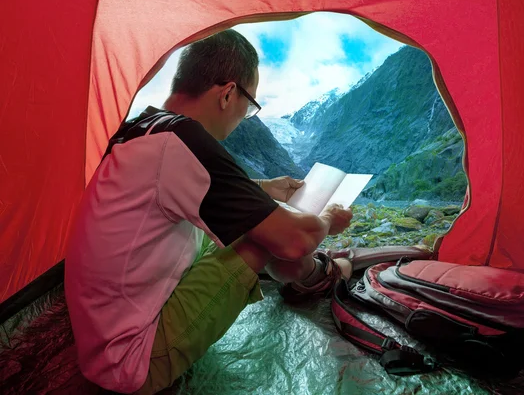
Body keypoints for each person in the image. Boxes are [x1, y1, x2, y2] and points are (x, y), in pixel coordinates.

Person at [64, 29, 354, 394]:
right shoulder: (185, 141)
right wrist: (329, 219)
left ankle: (306, 274)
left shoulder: (141, 129)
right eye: (248, 107)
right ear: (228, 94)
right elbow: (295, 239)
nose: (242, 118)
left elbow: (187, 189)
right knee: (265, 239)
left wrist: (264, 189)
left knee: (251, 220)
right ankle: (314, 278)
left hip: (101, 331)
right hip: (130, 360)